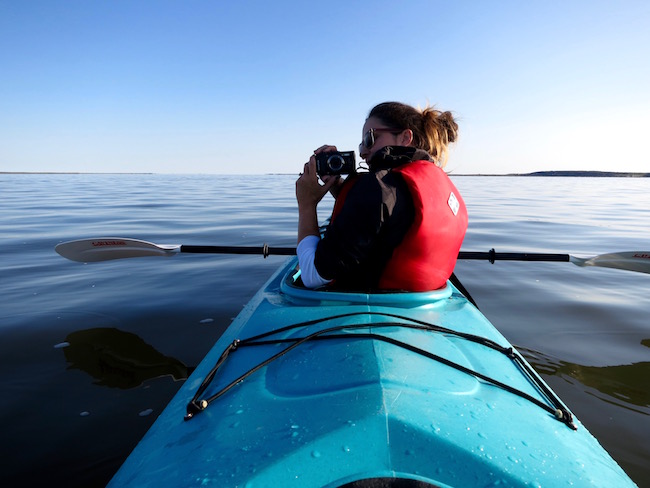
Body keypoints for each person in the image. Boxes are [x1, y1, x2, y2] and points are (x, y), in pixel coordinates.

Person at [295, 101, 468, 292]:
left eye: (370, 139)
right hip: (422, 302)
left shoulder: (378, 187)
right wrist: (337, 185)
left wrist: (307, 204)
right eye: (362, 143)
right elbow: (384, 216)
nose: (362, 152)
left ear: (405, 137)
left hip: (369, 306)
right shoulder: (441, 184)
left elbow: (313, 275)